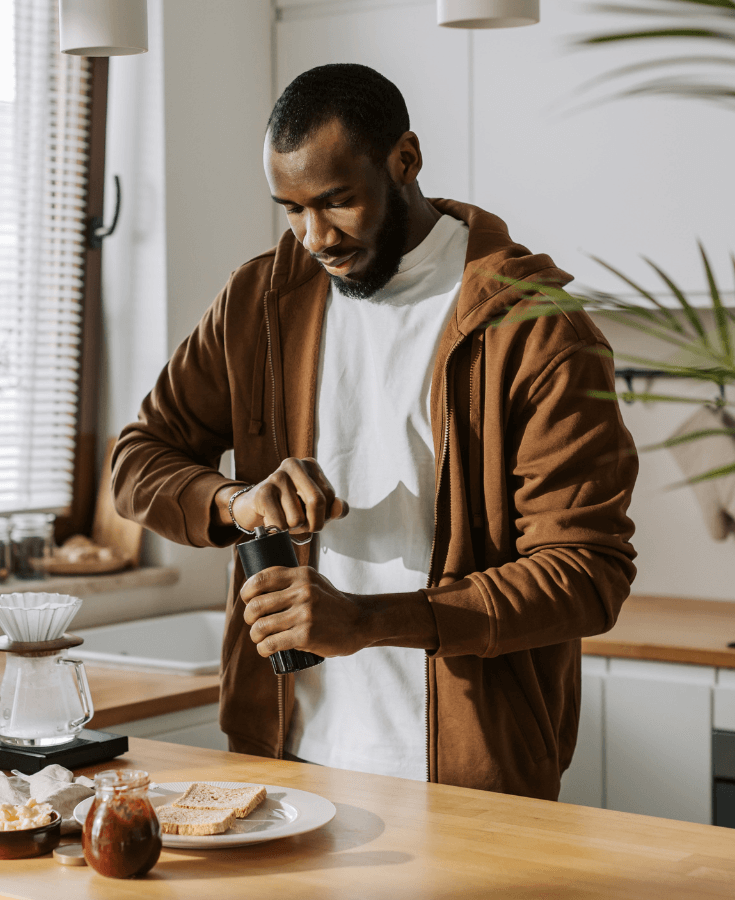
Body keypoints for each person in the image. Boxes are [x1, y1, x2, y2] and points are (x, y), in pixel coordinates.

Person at [112, 63, 637, 800]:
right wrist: (240, 503)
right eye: (291, 210)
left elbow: (587, 574)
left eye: (337, 202)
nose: (315, 237)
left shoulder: (536, 329)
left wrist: (365, 621)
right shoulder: (260, 301)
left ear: (405, 160)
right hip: (280, 768)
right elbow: (137, 459)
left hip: (472, 779)